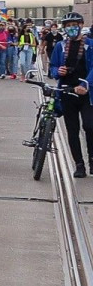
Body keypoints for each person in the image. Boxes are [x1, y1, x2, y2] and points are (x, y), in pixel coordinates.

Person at [50, 13, 93, 177]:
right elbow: (53, 67)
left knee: (89, 126)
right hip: (67, 92)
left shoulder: (90, 45)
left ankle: (92, 159)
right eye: (68, 26)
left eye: (74, 24)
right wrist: (57, 71)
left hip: (86, 93)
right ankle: (79, 164)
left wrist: (86, 84)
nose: (71, 28)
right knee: (72, 129)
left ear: (81, 25)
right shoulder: (60, 46)